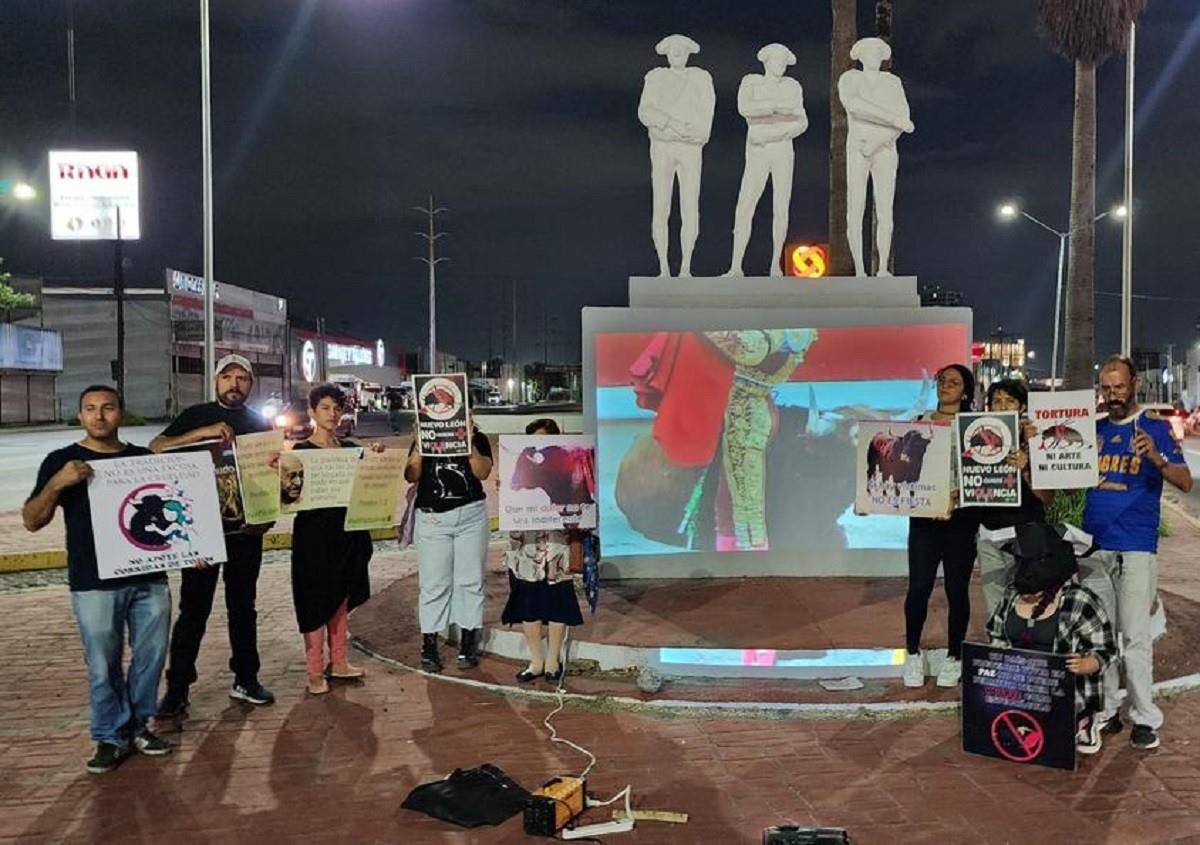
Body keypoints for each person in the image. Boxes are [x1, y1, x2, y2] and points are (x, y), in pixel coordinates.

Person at [23, 385, 173, 773]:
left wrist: (196, 547)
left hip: (149, 578)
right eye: (90, 409)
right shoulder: (62, 460)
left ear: (121, 413)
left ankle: (139, 726)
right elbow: (32, 520)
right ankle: (109, 735)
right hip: (93, 581)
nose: (99, 416)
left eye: (107, 408)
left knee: (151, 658)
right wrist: (57, 483)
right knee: (102, 664)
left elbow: (173, 514)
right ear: (80, 416)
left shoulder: (142, 459)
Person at [153, 354, 276, 716]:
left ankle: (246, 677)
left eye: (242, 378)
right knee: (194, 609)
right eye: (227, 377)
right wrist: (202, 433)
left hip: (245, 530)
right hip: (200, 532)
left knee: (243, 607)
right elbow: (157, 448)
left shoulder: (260, 424)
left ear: (251, 384)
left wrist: (267, 518)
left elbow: (273, 475)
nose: (234, 384)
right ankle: (177, 689)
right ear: (216, 381)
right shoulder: (195, 415)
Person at [1081, 355, 1192, 750]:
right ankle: (1108, 710)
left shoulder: (1155, 428)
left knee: (1135, 637)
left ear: (1135, 387)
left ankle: (1145, 718)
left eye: (1119, 388)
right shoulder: (1091, 431)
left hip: (1136, 547)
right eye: (1106, 389)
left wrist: (1156, 459)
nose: (1112, 396)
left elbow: (1186, 482)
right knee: (1102, 636)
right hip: (1095, 547)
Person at [986, 522, 1117, 755]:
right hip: (1022, 687)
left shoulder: (1080, 601)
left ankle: (1085, 722)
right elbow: (996, 634)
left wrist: (1090, 663)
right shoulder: (1011, 596)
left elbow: (1106, 648)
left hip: (1067, 692)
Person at [290, 384, 378, 695]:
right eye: (325, 407)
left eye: (337, 408)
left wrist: (377, 458)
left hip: (348, 535)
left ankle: (339, 661)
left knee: (341, 598)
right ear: (312, 412)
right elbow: (289, 497)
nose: (332, 413)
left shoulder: (351, 449)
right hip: (313, 537)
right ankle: (314, 669)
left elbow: (372, 482)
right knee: (315, 600)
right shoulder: (300, 453)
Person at [703, 329, 818, 550]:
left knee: (743, 504)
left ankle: (748, 554)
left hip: (748, 408)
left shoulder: (791, 329)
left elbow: (748, 350)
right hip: (742, 405)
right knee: (731, 497)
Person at [903, 363, 978, 688]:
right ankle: (912, 653)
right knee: (919, 587)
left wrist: (956, 499)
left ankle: (954, 657)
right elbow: (902, 468)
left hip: (961, 521)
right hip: (923, 521)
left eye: (954, 381)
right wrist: (873, 496)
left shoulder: (977, 427)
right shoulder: (918, 424)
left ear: (966, 391)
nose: (946, 385)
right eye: (942, 380)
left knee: (956, 590)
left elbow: (983, 476)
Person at [501, 419, 585, 684]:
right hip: (526, 545)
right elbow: (512, 494)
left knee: (559, 599)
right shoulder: (520, 465)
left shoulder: (568, 465)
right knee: (529, 602)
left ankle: (553, 659)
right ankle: (536, 660)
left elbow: (582, 501)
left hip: (557, 543)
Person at [406, 421, 493, 673]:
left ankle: (469, 641)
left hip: (471, 515)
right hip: (433, 517)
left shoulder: (479, 438)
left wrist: (467, 442)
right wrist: (421, 444)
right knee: (434, 583)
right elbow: (411, 474)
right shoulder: (426, 436)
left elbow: (482, 471)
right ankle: (429, 644)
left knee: (471, 579)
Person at [637, 33, 716, 278]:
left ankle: (685, 267)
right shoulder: (656, 77)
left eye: (681, 50)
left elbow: (707, 112)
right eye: (673, 50)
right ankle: (663, 267)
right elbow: (645, 111)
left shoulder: (701, 78)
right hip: (662, 147)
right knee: (661, 206)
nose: (677, 54)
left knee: (690, 206)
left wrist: (695, 133)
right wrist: (672, 124)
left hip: (690, 148)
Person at [726, 43, 808, 278]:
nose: (780, 65)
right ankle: (735, 265)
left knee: (781, 206)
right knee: (745, 204)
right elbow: (745, 109)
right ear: (766, 62)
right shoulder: (752, 82)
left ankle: (775, 264)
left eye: (783, 61)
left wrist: (771, 130)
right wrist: (775, 109)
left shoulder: (793, 86)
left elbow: (801, 121)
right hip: (757, 151)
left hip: (780, 148)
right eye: (776, 60)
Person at [977, 379, 1055, 616]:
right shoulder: (977, 440)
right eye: (996, 401)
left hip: (1027, 533)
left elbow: (1047, 497)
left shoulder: (1038, 439)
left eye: (1009, 400)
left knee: (1029, 602)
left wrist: (1027, 466)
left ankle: (1025, 651)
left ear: (1021, 406)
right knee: (995, 606)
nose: (1002, 406)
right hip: (989, 536)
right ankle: (999, 648)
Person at [837, 37, 914, 277]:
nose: (873, 56)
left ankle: (882, 268)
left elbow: (904, 118)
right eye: (868, 52)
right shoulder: (850, 78)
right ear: (859, 56)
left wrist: (878, 141)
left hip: (884, 149)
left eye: (877, 52)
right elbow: (854, 105)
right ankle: (859, 269)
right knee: (855, 207)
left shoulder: (892, 82)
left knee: (885, 210)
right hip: (858, 147)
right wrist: (891, 119)